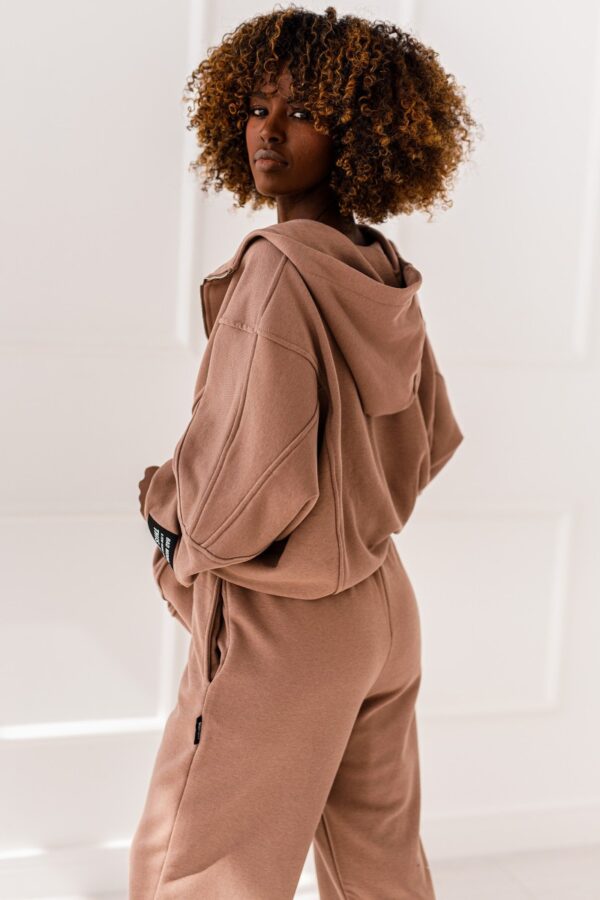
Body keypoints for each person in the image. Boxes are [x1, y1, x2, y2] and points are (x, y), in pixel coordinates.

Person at [129, 6, 479, 898]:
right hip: (381, 608)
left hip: (285, 628)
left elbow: (235, 501)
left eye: (305, 112)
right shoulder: (380, 270)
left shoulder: (279, 269)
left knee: (195, 869)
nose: (268, 132)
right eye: (256, 107)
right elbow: (431, 435)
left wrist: (164, 508)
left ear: (357, 133)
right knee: (378, 869)